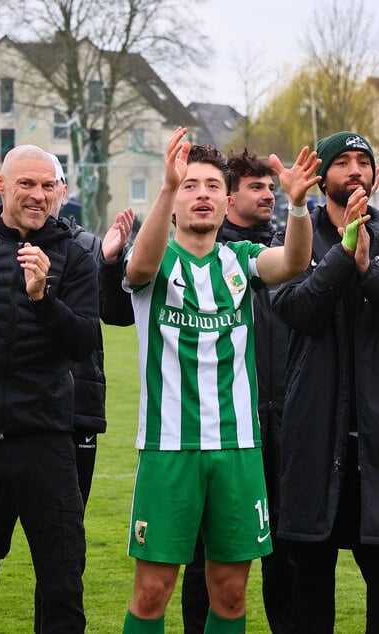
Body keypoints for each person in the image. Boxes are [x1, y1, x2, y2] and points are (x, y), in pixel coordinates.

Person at [0, 152, 134, 632]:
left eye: (47, 186)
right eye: (26, 184)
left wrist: (43, 297)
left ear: (59, 190)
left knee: (61, 585)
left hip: (44, 437)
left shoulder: (76, 253)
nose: (38, 195)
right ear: (1, 184)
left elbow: (81, 341)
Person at [120, 127, 317, 633]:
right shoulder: (156, 258)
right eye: (190, 185)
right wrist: (164, 187)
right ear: (176, 197)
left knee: (230, 595)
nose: (201, 194)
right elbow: (138, 267)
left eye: (211, 185)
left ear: (225, 200)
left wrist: (297, 205)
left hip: (239, 448)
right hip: (170, 449)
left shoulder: (241, 261)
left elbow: (294, 263)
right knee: (151, 592)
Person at [180, 150, 294, 633]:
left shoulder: (282, 251)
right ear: (229, 199)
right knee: (204, 555)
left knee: (284, 549)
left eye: (272, 187)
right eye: (257, 187)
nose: (269, 195)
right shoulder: (209, 256)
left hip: (287, 420)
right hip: (223, 427)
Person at [271, 130, 379, 632]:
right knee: (310, 591)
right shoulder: (295, 237)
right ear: (321, 177)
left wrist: (369, 270)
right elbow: (295, 309)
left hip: (375, 447)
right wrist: (344, 255)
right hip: (315, 440)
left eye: (364, 162)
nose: (355, 170)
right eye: (343, 162)